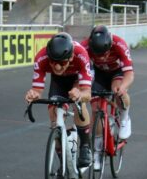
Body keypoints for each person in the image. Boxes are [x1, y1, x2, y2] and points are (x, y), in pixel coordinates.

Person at [25, 32, 92, 170]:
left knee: (79, 102)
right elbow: (37, 90)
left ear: (71, 57)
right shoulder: (41, 57)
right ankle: (63, 162)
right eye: (53, 62)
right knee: (54, 117)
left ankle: (85, 146)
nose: (57, 67)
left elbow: (87, 93)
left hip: (76, 80)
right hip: (59, 82)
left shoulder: (81, 54)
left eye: (62, 62)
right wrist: (33, 94)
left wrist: (79, 94)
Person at [81, 25, 134, 170]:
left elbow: (129, 74)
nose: (103, 57)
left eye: (105, 53)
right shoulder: (84, 46)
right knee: (95, 108)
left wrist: (123, 87)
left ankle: (124, 119)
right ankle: (97, 152)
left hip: (117, 72)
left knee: (117, 90)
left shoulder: (119, 44)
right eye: (98, 54)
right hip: (98, 74)